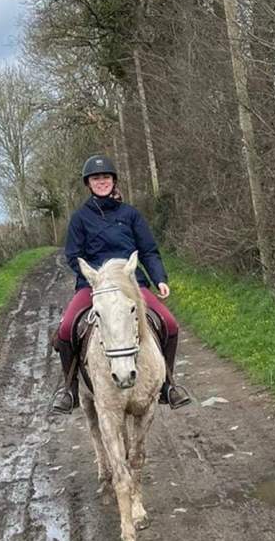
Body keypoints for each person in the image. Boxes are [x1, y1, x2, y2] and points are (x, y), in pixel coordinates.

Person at [51, 154, 191, 413]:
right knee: (67, 328)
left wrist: (159, 278)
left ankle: (167, 385)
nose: (101, 181)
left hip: (131, 283)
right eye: (96, 178)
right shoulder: (80, 218)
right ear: (88, 183)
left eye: (105, 177)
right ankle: (70, 389)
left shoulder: (131, 215)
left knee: (169, 324)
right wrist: (95, 277)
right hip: (93, 285)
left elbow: (148, 250)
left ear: (113, 181)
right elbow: (73, 255)